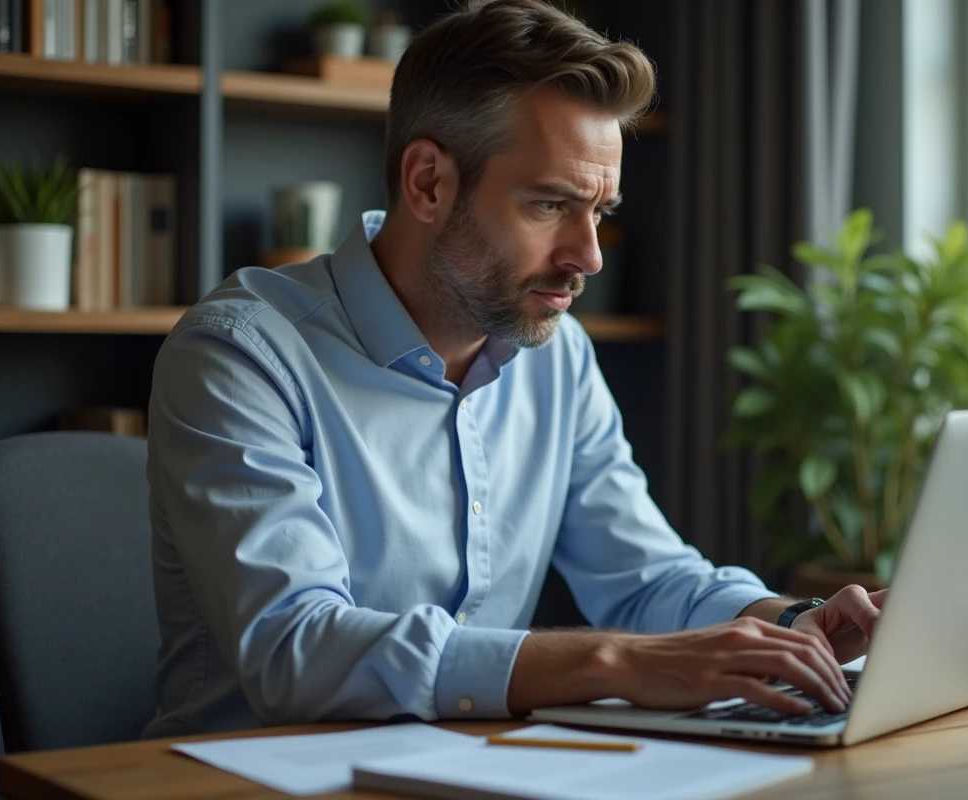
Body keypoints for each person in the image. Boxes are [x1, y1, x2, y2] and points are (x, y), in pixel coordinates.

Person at [142, 0, 884, 738]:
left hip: (470, 768)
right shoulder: (240, 354)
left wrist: (792, 623)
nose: (588, 257)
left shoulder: (556, 355)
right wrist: (615, 662)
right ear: (428, 182)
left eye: (600, 212)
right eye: (551, 205)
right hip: (245, 775)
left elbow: (648, 578)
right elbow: (296, 651)